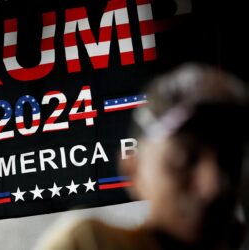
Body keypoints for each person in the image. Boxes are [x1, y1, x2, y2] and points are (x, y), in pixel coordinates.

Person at [35, 64, 248, 250]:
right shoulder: (91, 244)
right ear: (132, 169)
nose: (215, 185)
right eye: (183, 159)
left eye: (229, 160)